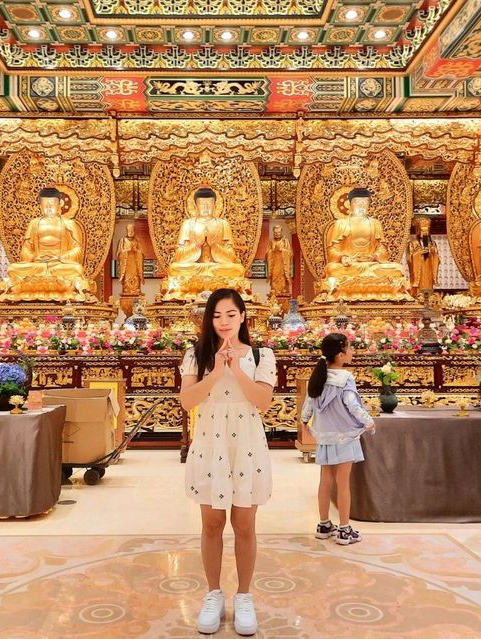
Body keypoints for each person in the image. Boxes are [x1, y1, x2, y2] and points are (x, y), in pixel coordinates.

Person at [179, 288, 276, 635]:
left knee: (245, 524)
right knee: (211, 524)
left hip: (247, 443)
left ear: (243, 317)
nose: (223, 322)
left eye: (231, 314)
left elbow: (262, 401)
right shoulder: (196, 355)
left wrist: (236, 367)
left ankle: (245, 596)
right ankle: (213, 593)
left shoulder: (262, 355)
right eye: (217, 315)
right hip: (210, 443)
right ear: (208, 318)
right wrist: (216, 371)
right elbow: (187, 401)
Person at [300, 332, 375, 545]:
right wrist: (368, 421)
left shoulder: (318, 377)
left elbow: (309, 404)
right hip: (345, 436)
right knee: (343, 484)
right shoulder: (345, 378)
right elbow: (353, 405)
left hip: (324, 436)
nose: (352, 352)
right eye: (350, 348)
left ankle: (324, 524)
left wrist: (305, 421)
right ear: (340, 354)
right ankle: (344, 529)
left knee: (325, 481)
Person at [0, 187, 91, 301]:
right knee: (12, 268)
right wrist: (33, 257)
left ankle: (34, 287)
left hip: (58, 265)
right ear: (40, 206)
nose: (49, 208)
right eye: (45, 204)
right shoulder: (34, 223)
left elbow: (77, 249)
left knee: (76, 269)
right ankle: (55, 285)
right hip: (38, 265)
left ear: (60, 204)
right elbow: (26, 249)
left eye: (52, 204)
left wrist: (60, 258)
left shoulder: (69, 224)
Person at [323, 187, 410, 300]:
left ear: (369, 205)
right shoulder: (341, 224)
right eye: (357, 202)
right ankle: (380, 288)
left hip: (371, 264)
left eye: (365, 203)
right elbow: (332, 250)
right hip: (350, 266)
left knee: (397, 269)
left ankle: (353, 287)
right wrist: (342, 257)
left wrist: (374, 256)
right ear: (349, 204)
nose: (361, 206)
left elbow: (382, 248)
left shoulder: (375, 224)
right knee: (332, 269)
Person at [165, 187, 248, 300]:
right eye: (202, 204)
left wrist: (215, 246)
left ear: (215, 205)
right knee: (174, 268)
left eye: (209, 204)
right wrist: (196, 246)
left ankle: (195, 287)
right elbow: (179, 256)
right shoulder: (188, 224)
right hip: (195, 268)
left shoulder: (223, 224)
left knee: (238, 269)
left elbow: (231, 257)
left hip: (216, 267)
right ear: (195, 205)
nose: (205, 207)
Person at [407, 217, 439, 297]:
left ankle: (429, 298)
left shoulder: (432, 243)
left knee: (428, 285)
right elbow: (409, 258)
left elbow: (436, 257)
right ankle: (418, 296)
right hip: (419, 269)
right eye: (422, 230)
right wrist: (420, 253)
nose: (425, 232)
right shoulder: (413, 243)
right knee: (420, 287)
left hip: (428, 268)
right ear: (418, 231)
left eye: (426, 230)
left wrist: (432, 252)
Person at [265, 224, 293, 301]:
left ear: (281, 233)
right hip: (274, 263)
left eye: (279, 233)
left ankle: (282, 289)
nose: (277, 234)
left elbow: (290, 253)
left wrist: (282, 250)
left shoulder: (285, 241)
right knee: (274, 276)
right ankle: (274, 290)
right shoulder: (271, 242)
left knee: (282, 277)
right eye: (275, 233)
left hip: (283, 263)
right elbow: (267, 253)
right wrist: (273, 250)